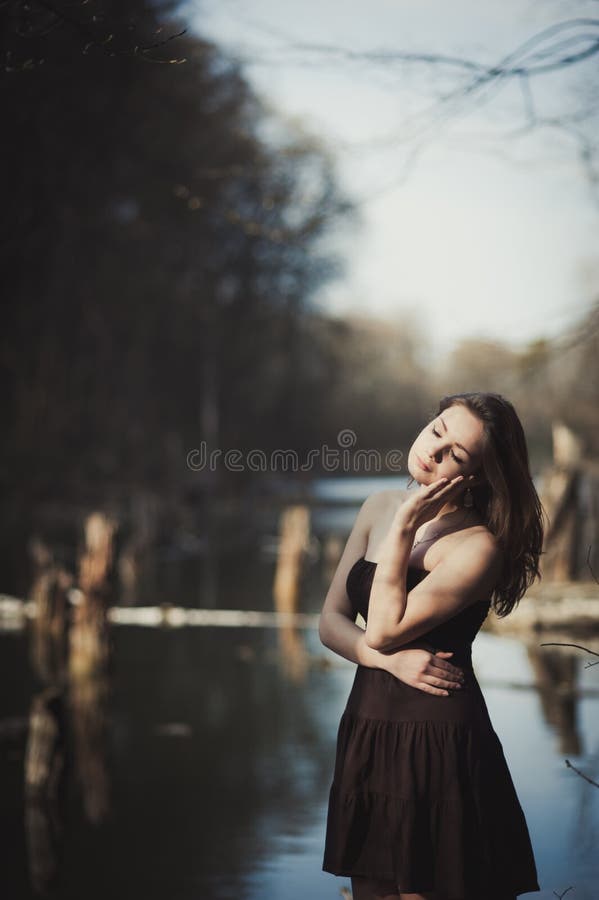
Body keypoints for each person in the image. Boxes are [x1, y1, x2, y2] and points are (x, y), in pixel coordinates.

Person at [319, 392, 545, 900]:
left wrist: (402, 530)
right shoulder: (377, 506)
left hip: (438, 740)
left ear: (480, 477)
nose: (433, 451)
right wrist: (393, 666)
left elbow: (380, 628)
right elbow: (330, 623)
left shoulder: (478, 547)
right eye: (438, 430)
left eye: (455, 455)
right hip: (368, 730)